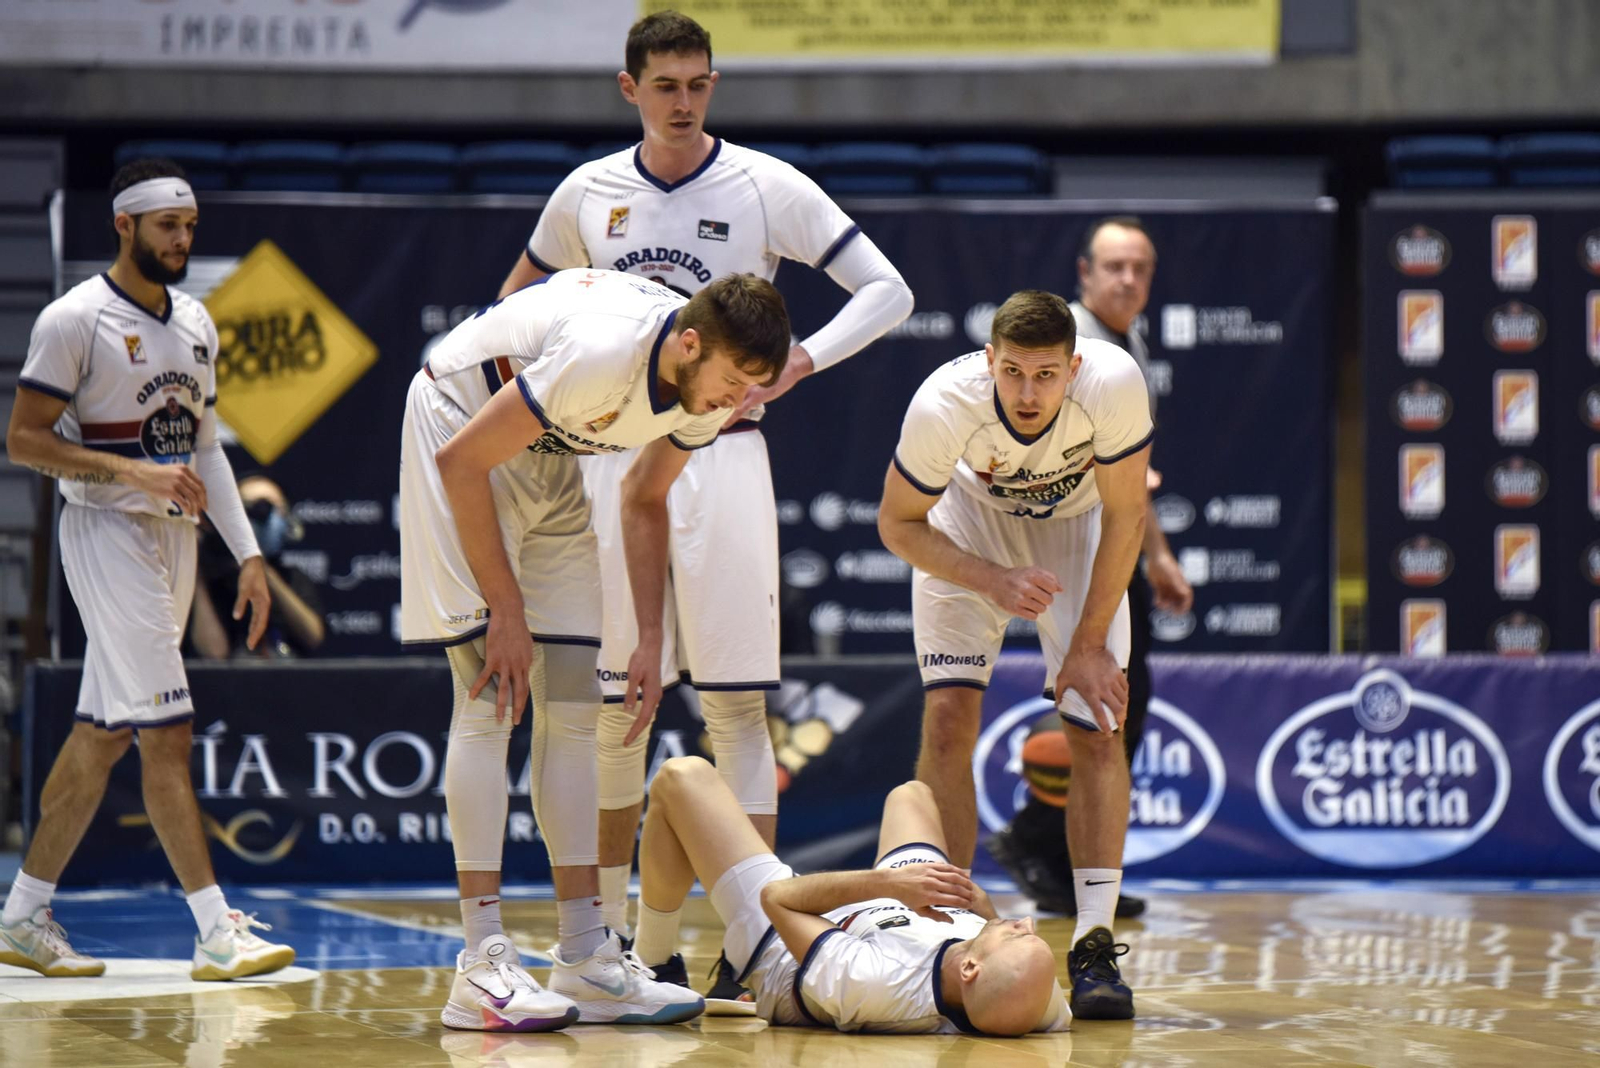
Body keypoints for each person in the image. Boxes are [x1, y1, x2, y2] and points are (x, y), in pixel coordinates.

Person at [496, 9, 913, 1003]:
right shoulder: (587, 194)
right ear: (629, 89)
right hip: (608, 456)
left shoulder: (764, 185)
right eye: (666, 85)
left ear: (713, 86)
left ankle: (754, 943)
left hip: (725, 455)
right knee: (617, 707)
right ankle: (618, 950)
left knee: (734, 706)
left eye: (699, 84)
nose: (684, 103)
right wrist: (547, 414)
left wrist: (800, 359)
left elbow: (886, 290)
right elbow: (507, 311)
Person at [398, 266, 790, 1030]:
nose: (740, 400)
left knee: (577, 702)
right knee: (490, 697)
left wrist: (649, 635)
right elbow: (461, 464)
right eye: (735, 379)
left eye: (756, 386)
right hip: (457, 428)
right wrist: (503, 607)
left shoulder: (710, 398)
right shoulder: (605, 354)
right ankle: (478, 963)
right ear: (687, 344)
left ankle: (584, 953)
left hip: (547, 452)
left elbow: (644, 496)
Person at [1, 158, 294, 982]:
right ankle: (213, 930)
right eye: (169, 225)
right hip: (105, 533)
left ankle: (22, 915)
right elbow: (23, 441)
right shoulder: (75, 319)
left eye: (191, 226)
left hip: (172, 539)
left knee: (104, 736)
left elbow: (205, 447)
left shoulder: (197, 320)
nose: (183, 239)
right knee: (168, 733)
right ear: (125, 225)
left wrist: (250, 555)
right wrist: (129, 472)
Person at [876, 289, 1151, 1020]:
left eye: (1046, 375)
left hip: (1078, 525)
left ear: (1075, 367)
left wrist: (1088, 645)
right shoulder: (942, 403)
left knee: (1097, 720)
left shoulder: (1115, 383)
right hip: (968, 529)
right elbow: (898, 524)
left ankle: (1094, 943)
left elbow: (1129, 514)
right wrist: (991, 580)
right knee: (946, 722)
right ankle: (950, 931)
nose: (1028, 394)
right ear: (988, 363)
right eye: (1014, 373)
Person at [986, 216, 1193, 917]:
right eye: (1115, 267)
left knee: (1117, 706)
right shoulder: (1078, 350)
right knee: (1105, 706)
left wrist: (1158, 555)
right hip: (1066, 537)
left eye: (1140, 268)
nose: (1128, 279)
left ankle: (1060, 857)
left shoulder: (1124, 347)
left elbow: (1130, 480)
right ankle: (1035, 839)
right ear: (1085, 274)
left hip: (1114, 534)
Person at [633, 755, 1069, 1036]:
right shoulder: (1036, 1002)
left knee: (680, 777)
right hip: (896, 925)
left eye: (1016, 935)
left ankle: (652, 964)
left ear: (972, 968)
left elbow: (779, 897)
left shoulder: (872, 984)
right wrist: (984, 916)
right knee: (911, 795)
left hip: (785, 942)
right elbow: (1019, 985)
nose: (1026, 923)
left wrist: (890, 885)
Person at [189, 475, 327, 659]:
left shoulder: (292, 576)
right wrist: (196, 573)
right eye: (251, 508)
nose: (262, 516)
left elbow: (313, 636)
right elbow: (213, 653)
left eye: (272, 508)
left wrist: (258, 566)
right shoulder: (212, 578)